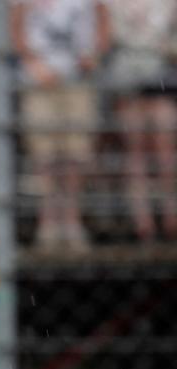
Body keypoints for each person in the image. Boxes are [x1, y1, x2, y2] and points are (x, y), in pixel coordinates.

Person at [11, 0, 110, 252]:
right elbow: (15, 28)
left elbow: (104, 24)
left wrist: (93, 58)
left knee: (75, 155)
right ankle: (48, 224)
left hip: (79, 81)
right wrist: (35, 66)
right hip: (38, 82)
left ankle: (71, 222)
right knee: (45, 156)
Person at [105, 0, 177, 242]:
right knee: (135, 151)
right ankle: (143, 221)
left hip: (162, 77)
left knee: (166, 149)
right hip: (127, 78)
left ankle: (170, 216)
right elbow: (109, 34)